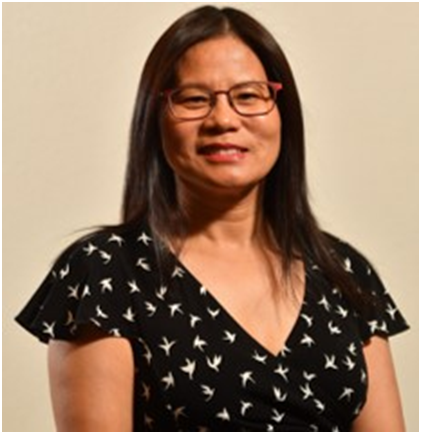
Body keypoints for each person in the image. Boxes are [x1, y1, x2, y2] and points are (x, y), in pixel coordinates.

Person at [16, 5, 409, 432]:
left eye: (249, 96)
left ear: (283, 112)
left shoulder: (345, 272)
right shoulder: (103, 274)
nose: (223, 119)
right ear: (155, 119)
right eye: (194, 99)